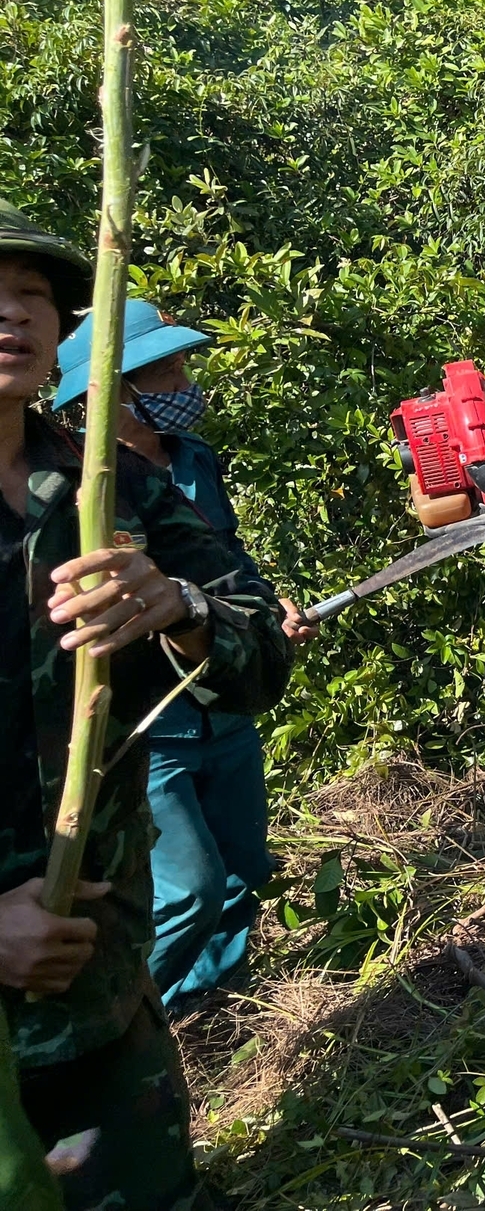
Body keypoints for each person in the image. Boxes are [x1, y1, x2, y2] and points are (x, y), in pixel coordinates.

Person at [0, 201, 292, 1209]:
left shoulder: (109, 486)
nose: (14, 316)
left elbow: (256, 656)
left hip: (108, 989)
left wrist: (185, 609)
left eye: (33, 294)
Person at [51, 301, 312, 1013]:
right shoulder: (73, 489)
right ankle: (132, 1020)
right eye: (163, 369)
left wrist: (263, 610)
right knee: (187, 890)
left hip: (222, 707)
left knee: (241, 870)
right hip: (152, 729)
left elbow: (225, 564)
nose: (184, 381)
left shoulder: (192, 460)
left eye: (181, 364)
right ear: (112, 392)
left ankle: (208, 1004)